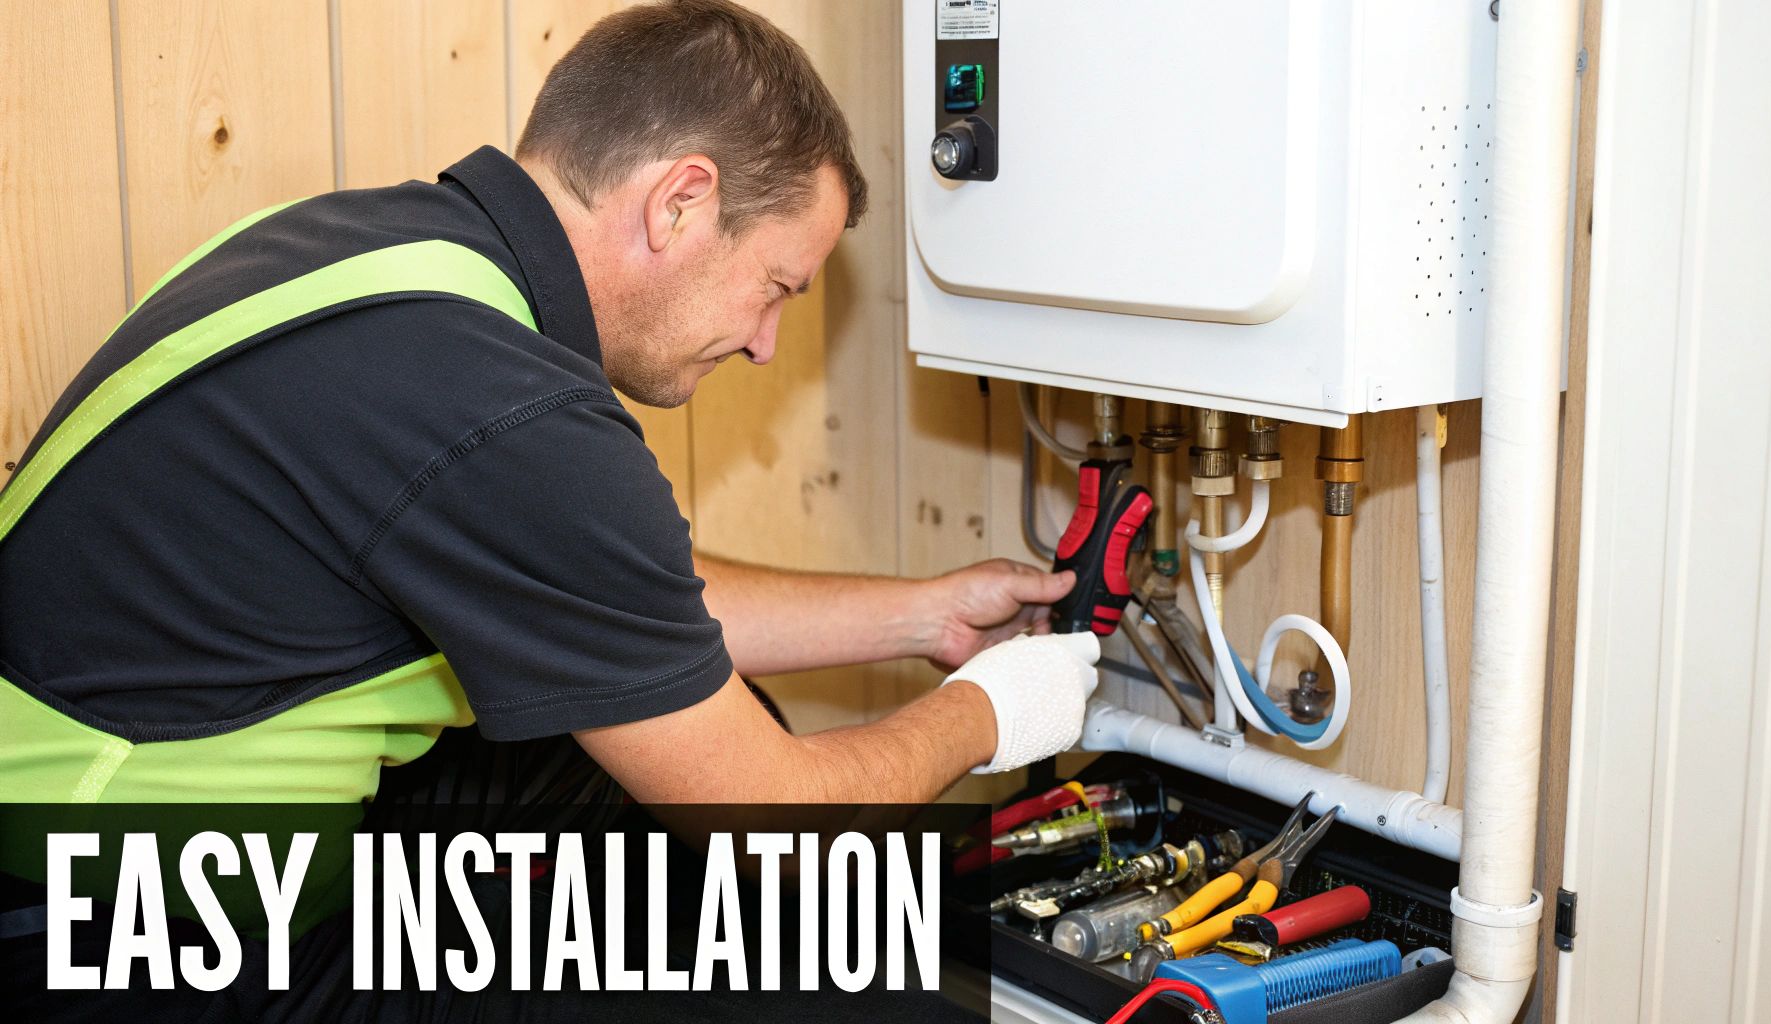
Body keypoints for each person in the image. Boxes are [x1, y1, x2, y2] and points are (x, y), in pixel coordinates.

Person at [0, 0, 1101, 806]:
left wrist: (920, 615)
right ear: (680, 201)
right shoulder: (503, 407)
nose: (766, 345)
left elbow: (600, 591)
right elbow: (775, 825)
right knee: (798, 918)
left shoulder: (390, 251)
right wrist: (993, 710)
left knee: (658, 750)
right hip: (123, 915)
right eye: (773, 288)